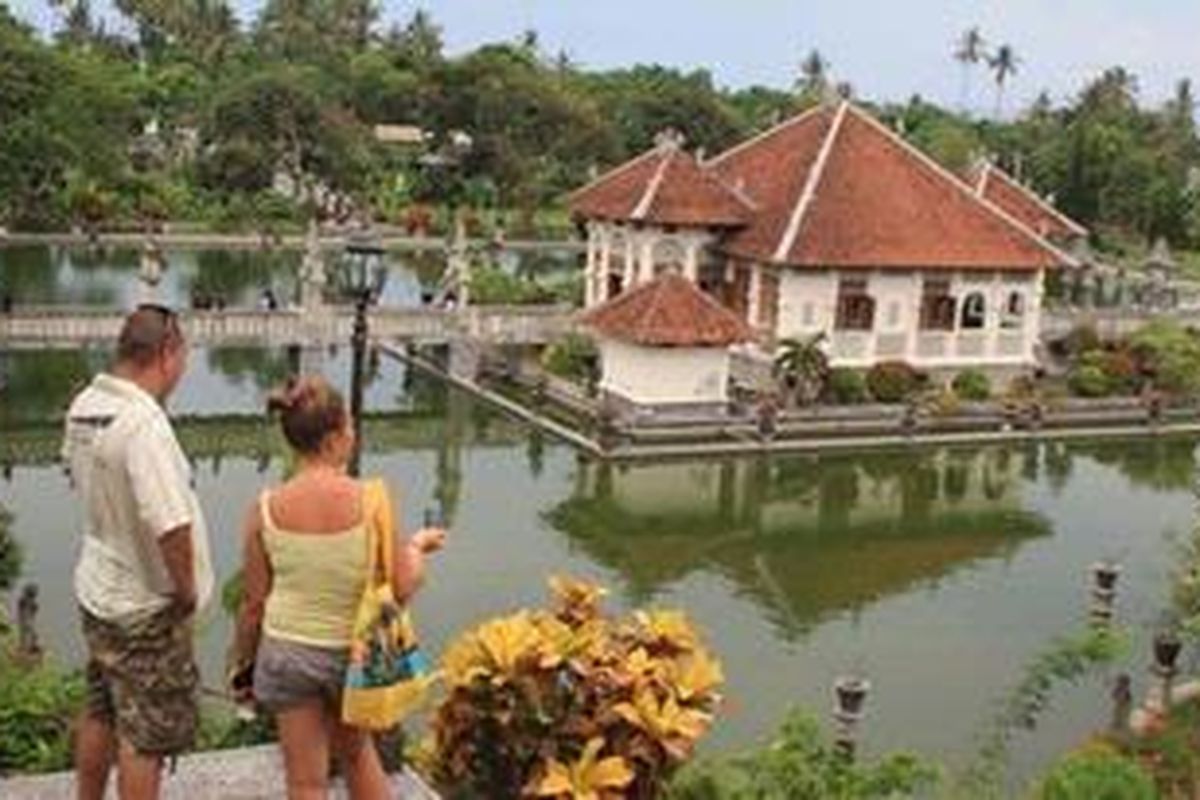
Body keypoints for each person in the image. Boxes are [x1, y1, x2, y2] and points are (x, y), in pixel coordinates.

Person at [231, 376, 444, 799]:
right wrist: (417, 547)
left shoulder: (265, 508)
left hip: (288, 652)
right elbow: (402, 586)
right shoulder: (372, 500)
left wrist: (244, 665)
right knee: (357, 755)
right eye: (349, 426)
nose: (353, 434)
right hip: (354, 656)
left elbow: (254, 604)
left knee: (304, 781)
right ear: (332, 439)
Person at [63, 304, 214, 800]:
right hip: (144, 604)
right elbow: (170, 524)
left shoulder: (85, 404)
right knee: (144, 738)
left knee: (102, 705)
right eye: (184, 356)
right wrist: (186, 590)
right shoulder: (144, 423)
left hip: (98, 585)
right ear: (167, 352)